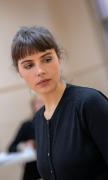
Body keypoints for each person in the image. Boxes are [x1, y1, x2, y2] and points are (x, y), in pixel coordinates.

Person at [11, 26, 108, 180]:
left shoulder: (89, 103)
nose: (40, 71)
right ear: (19, 72)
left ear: (59, 58)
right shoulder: (38, 120)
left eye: (47, 59)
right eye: (29, 65)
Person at [8, 97, 42, 180]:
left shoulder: (57, 123)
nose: (42, 105)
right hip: (33, 170)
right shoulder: (27, 125)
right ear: (33, 106)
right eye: (39, 103)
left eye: (44, 102)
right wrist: (23, 145)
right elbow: (11, 148)